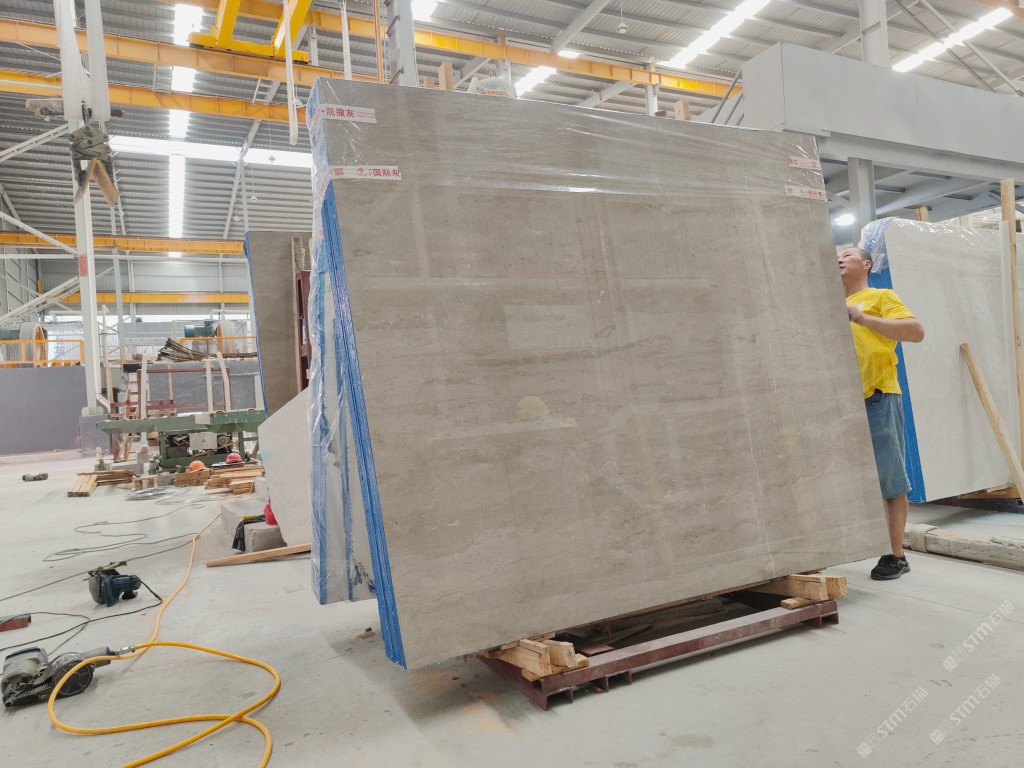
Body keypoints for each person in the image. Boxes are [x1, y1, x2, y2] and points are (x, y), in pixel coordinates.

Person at [838, 246, 925, 580]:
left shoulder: (879, 297)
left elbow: (915, 332)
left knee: (890, 480)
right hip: (840, 405)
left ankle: (895, 555)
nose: (839, 258)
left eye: (847, 254)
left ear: (867, 264)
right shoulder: (828, 304)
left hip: (877, 397)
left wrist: (861, 317)